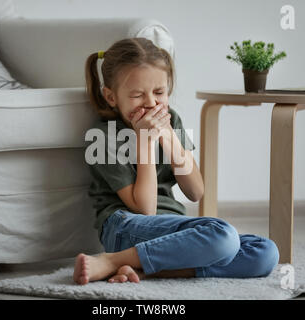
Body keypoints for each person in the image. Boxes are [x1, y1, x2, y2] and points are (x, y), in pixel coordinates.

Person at [74, 37, 279, 285]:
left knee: (264, 253)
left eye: (159, 92)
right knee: (222, 236)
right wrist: (145, 142)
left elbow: (195, 191)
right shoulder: (102, 136)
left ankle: (141, 270)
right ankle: (111, 260)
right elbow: (145, 210)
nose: (151, 103)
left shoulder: (171, 120)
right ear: (111, 97)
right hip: (127, 227)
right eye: (138, 95)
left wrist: (169, 137)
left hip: (174, 229)